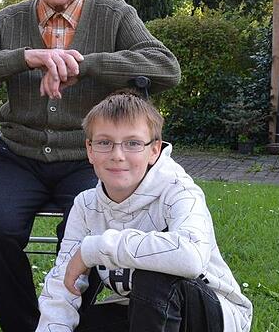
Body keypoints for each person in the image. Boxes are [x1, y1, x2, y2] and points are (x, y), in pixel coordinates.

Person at [0, 0, 181, 331]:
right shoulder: (11, 19)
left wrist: (86, 63)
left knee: (86, 234)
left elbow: (165, 67)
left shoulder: (114, 13)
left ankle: (71, 319)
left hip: (89, 159)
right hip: (19, 155)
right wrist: (27, 57)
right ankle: (26, 323)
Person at [36, 91, 253, 331]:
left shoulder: (180, 192)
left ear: (154, 150)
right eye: (104, 143)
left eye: (133, 143)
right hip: (139, 311)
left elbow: (191, 258)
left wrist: (95, 249)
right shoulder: (86, 205)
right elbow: (62, 284)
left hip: (212, 315)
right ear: (89, 150)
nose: (117, 156)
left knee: (154, 275)